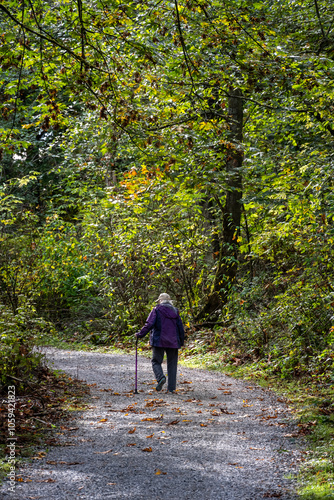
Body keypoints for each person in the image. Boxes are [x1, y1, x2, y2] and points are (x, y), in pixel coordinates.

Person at [135, 293, 185, 393]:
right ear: (170, 301)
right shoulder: (175, 311)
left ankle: (160, 377)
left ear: (160, 301)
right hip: (173, 342)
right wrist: (181, 341)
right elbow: (180, 327)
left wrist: (140, 334)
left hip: (159, 340)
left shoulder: (156, 310)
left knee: (156, 361)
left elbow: (149, 324)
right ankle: (171, 388)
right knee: (172, 364)